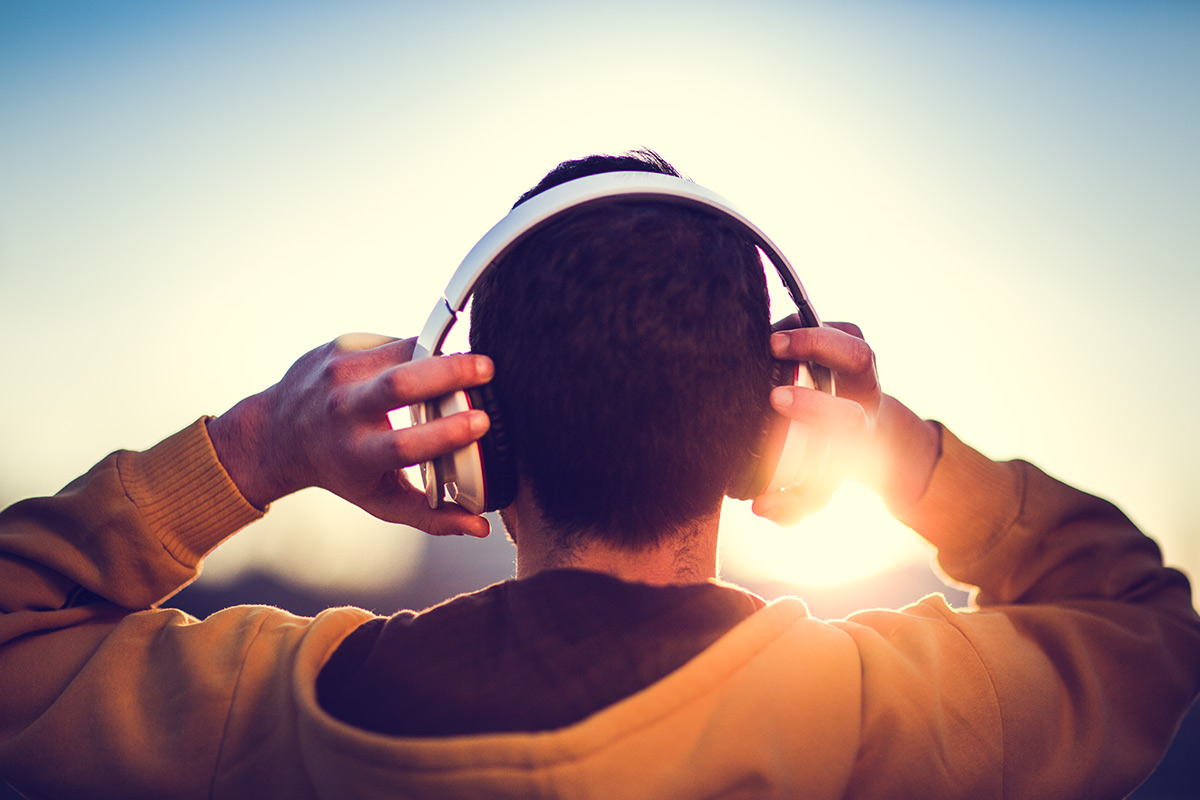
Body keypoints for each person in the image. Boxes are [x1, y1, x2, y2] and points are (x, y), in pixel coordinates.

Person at [0, 151, 1197, 800]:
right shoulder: (891, 715)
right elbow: (1140, 618)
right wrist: (906, 453)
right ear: (765, 437)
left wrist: (261, 444)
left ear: (473, 438)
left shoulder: (274, 711)